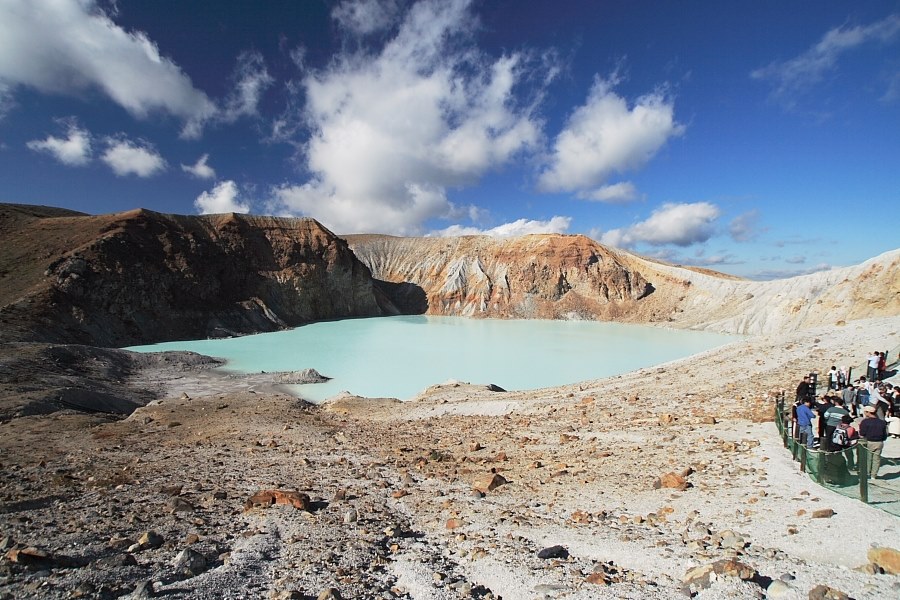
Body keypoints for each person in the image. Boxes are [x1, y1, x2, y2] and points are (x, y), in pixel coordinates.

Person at [858, 405, 888, 479]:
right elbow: (885, 433)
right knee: (876, 459)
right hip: (879, 442)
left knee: (868, 458)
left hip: (869, 441)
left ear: (868, 412)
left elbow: (862, 433)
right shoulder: (882, 422)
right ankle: (873, 475)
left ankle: (867, 473)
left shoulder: (865, 422)